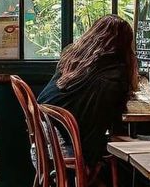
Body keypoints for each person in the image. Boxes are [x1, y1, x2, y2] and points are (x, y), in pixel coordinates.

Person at [37, 14, 138, 171]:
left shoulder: (73, 59)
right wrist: (92, 162)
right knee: (127, 146)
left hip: (41, 144)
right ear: (124, 46)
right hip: (67, 152)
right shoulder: (113, 77)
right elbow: (110, 124)